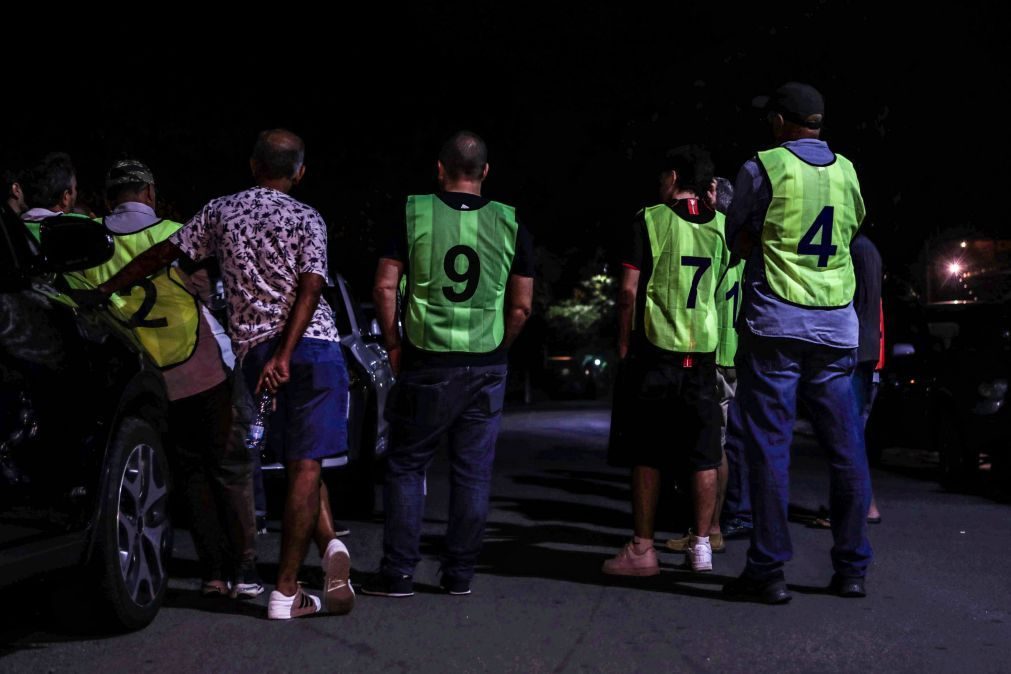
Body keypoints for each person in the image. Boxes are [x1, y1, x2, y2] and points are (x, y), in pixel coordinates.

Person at [79, 130, 354, 620]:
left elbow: (158, 257)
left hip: (255, 353)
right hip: (315, 349)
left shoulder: (221, 211)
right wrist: (287, 354)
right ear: (300, 172)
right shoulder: (309, 217)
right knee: (305, 465)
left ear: (253, 165)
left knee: (296, 461)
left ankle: (329, 542)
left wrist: (102, 294)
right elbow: (312, 287)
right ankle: (286, 591)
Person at [74, 159, 259, 598]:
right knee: (228, 468)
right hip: (198, 367)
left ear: (107, 198)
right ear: (151, 194)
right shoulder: (175, 231)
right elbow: (203, 291)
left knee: (188, 472)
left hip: (139, 378)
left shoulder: (89, 241)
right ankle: (246, 570)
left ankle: (212, 573)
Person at [365, 130, 533, 597]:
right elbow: (521, 306)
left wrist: (394, 344)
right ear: (485, 172)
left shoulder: (414, 211)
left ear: (440, 169)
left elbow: (384, 286)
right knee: (473, 473)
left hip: (426, 361)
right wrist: (499, 344)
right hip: (486, 363)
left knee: (406, 466)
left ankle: (398, 573)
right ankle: (459, 574)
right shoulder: (510, 221)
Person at [722, 82, 872, 604]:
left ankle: (767, 570)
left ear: (781, 123)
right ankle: (852, 568)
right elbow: (850, 232)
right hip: (835, 325)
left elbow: (736, 239)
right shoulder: (848, 170)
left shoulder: (762, 168)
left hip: (777, 322)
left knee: (770, 446)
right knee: (846, 448)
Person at [602, 145, 728, 576]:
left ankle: (642, 549)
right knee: (703, 454)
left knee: (648, 452)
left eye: (662, 179)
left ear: (673, 178)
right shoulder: (724, 229)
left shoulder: (650, 220)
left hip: (656, 353)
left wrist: (623, 344)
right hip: (704, 353)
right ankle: (701, 545)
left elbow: (628, 292)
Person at [666, 176, 747, 554]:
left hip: (716, 353)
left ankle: (709, 528)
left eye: (709, 194)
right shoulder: (742, 245)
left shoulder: (720, 240)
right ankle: (708, 525)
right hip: (732, 352)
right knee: (717, 443)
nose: (703, 199)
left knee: (709, 446)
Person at [18, 153, 82, 239]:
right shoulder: (78, 224)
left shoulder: (12, 226)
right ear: (65, 197)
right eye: (75, 188)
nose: (76, 192)